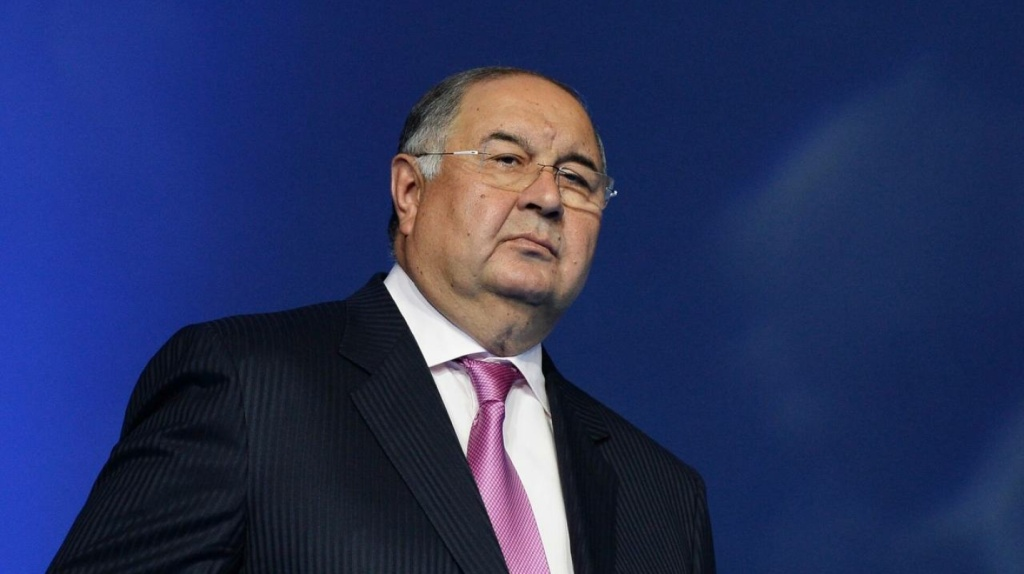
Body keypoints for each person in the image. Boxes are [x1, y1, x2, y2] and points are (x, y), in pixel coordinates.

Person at [50, 66, 715, 573]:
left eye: (576, 178)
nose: (547, 197)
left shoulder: (661, 494)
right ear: (410, 190)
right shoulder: (246, 386)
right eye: (508, 160)